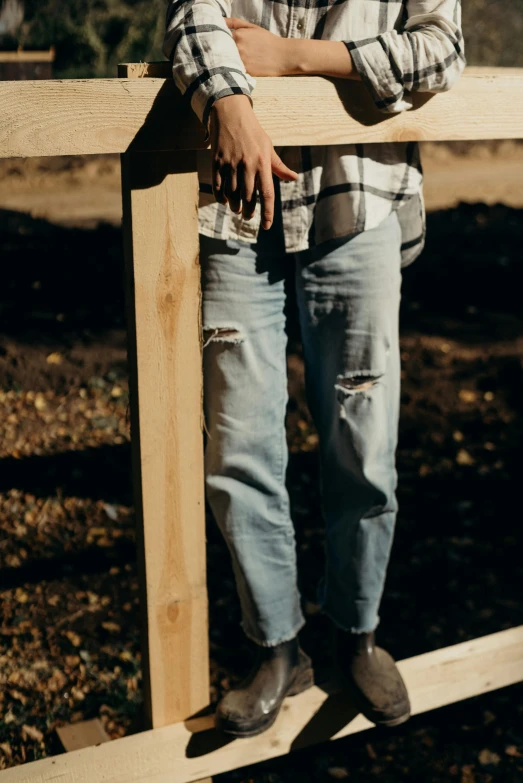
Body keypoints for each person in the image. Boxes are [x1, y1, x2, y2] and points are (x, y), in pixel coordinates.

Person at [163, 0, 465, 738]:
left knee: (363, 441)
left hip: (358, 199)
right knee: (238, 442)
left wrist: (296, 58)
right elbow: (191, 15)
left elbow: (441, 48)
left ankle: (355, 633)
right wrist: (229, 101)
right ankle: (275, 646)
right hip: (234, 203)